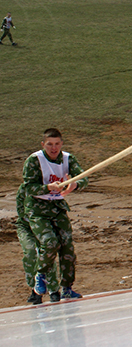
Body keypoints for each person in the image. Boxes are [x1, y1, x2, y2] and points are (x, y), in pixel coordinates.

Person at [22, 128, 87, 301]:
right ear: (43, 144)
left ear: (61, 144)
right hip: (37, 210)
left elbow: (84, 177)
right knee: (50, 242)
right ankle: (40, 276)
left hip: (58, 208)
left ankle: (67, 287)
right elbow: (28, 187)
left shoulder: (67, 159)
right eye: (50, 144)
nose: (54, 148)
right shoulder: (34, 160)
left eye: (57, 144)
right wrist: (47, 188)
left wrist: (75, 185)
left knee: (67, 247)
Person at [16, 184, 59, 304]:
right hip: (26, 225)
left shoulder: (50, 188)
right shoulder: (25, 188)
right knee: (30, 251)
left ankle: (53, 290)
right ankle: (34, 289)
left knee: (46, 253)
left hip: (43, 223)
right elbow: (20, 209)